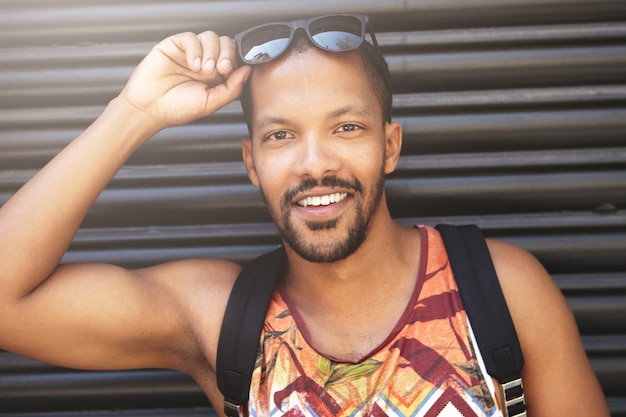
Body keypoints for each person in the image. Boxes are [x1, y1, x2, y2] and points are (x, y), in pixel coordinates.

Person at [0, 13, 609, 417]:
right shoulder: (219, 318)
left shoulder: (502, 289)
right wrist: (134, 111)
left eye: (346, 127)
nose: (314, 164)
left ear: (390, 146)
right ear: (250, 162)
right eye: (281, 136)